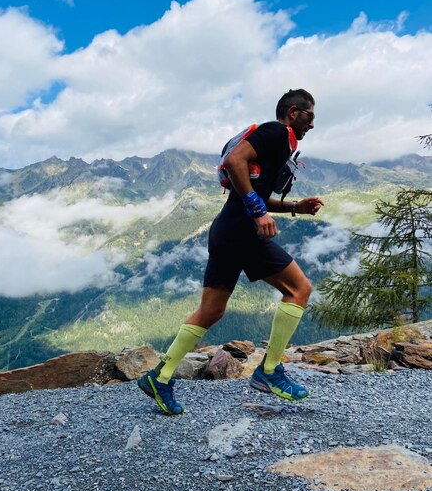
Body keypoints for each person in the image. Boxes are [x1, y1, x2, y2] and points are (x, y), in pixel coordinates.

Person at [138, 89, 324, 415]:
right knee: (299, 289)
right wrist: (256, 211)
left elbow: (254, 191)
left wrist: (295, 206)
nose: (313, 122)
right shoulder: (277, 132)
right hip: (242, 233)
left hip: (227, 231)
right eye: (310, 114)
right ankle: (269, 371)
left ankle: (160, 376)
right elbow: (233, 160)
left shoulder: (280, 143)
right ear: (293, 112)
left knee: (210, 311)